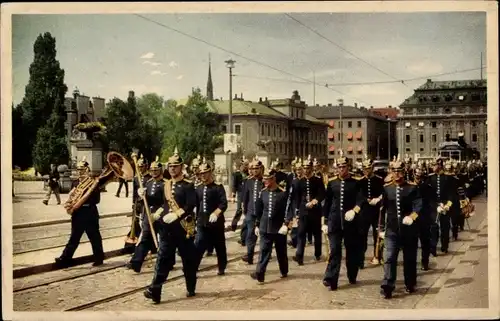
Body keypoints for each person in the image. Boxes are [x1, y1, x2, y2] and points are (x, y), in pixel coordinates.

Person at [144, 148, 198, 304]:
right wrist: (144, 195)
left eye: (175, 166)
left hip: (183, 229)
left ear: (181, 167)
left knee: (188, 261)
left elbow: (191, 205)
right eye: (170, 166)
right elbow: (161, 203)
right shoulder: (166, 185)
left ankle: (190, 286)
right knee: (162, 260)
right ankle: (155, 291)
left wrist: (177, 214)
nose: (172, 169)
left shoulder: (188, 185)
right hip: (166, 230)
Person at [379, 155, 423, 299]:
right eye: (394, 170)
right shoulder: (387, 188)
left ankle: (410, 283)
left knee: (409, 259)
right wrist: (381, 228)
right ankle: (388, 285)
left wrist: (412, 217)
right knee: (390, 257)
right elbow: (383, 209)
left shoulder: (412, 188)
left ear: (404, 171)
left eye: (399, 170)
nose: (397, 173)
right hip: (392, 230)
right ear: (391, 171)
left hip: (409, 230)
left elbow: (418, 206)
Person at [322, 152, 365, 290]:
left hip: (351, 222)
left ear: (348, 167)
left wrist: (355, 210)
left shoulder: (356, 182)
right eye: (339, 167)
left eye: (344, 166)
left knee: (351, 250)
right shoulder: (332, 182)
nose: (341, 169)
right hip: (334, 221)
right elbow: (327, 202)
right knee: (334, 250)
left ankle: (352, 275)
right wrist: (324, 221)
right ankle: (331, 279)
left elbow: (361, 200)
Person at [55, 158, 104, 268]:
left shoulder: (93, 183)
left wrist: (83, 200)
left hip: (89, 212)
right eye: (78, 169)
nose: (79, 171)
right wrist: (71, 204)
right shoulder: (75, 182)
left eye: (82, 169)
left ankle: (99, 258)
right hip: (77, 213)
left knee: (94, 237)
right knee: (74, 237)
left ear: (87, 169)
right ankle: (65, 258)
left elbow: (97, 200)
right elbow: (72, 196)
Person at [251, 168, 293, 283]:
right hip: (265, 227)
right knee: (264, 251)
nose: (264, 182)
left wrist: (287, 224)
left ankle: (284, 271)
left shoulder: (283, 193)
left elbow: (289, 210)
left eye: (267, 179)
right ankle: (260, 273)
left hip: (279, 228)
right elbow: (258, 211)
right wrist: (257, 225)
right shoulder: (262, 192)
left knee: (281, 251)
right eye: (264, 179)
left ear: (274, 179)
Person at [126, 156, 164, 273]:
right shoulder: (147, 183)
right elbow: (144, 200)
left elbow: (167, 202)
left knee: (165, 240)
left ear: (160, 170)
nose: (153, 172)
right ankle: (136, 262)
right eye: (152, 170)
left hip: (162, 215)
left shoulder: (165, 184)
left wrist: (159, 213)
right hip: (148, 214)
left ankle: (168, 262)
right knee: (145, 238)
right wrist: (141, 195)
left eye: (156, 170)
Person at [194, 158, 228, 275]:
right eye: (201, 173)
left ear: (210, 172)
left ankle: (222, 267)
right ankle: (194, 266)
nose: (203, 175)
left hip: (216, 223)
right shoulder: (198, 188)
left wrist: (216, 213)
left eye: (205, 172)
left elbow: (223, 203)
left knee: (219, 245)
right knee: (198, 244)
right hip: (202, 222)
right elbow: (197, 205)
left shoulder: (218, 187)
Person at [291, 155, 326, 265]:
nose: (306, 170)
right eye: (304, 168)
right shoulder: (298, 182)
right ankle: (299, 256)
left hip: (315, 211)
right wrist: (296, 212)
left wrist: (315, 201)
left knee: (317, 234)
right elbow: (296, 198)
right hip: (303, 211)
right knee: (301, 233)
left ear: (311, 168)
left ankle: (317, 253)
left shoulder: (317, 180)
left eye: (308, 168)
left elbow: (322, 194)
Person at [426, 158, 458, 255]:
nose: (433, 167)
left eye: (435, 165)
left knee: (445, 227)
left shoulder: (448, 178)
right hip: (434, 206)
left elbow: (451, 194)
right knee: (433, 227)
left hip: (445, 206)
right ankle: (433, 247)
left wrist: (448, 205)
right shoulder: (430, 178)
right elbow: (429, 195)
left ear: (440, 165)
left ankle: (445, 245)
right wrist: (435, 205)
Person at [358, 155, 384, 267]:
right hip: (364, 212)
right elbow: (358, 195)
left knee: (377, 235)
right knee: (362, 235)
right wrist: (365, 199)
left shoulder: (379, 180)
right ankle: (360, 258)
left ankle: (377, 256)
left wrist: (378, 199)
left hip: (376, 211)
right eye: (364, 168)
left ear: (372, 168)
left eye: (368, 168)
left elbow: (384, 192)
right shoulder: (360, 181)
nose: (366, 171)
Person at [123, 155, 151, 255]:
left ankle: (146, 246)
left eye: (142, 166)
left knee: (145, 226)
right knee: (135, 224)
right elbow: (134, 193)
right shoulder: (135, 179)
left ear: (146, 166)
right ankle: (131, 245)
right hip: (138, 204)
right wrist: (133, 204)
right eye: (138, 166)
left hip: (146, 205)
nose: (140, 168)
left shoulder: (150, 178)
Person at [240, 156, 264, 265]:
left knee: (264, 236)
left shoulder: (264, 181)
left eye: (257, 169)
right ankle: (250, 256)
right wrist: (244, 209)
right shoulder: (248, 181)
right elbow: (245, 196)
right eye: (253, 169)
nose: (254, 171)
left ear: (261, 169)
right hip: (250, 212)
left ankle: (263, 256)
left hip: (263, 213)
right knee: (250, 234)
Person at [412, 165, 432, 271]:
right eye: (416, 176)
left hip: (424, 217)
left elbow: (431, 201)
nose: (418, 178)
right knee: (412, 243)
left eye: (419, 176)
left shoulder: (426, 187)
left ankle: (425, 262)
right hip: (413, 218)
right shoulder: (409, 187)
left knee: (425, 242)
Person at [231, 158, 250, 247]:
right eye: (244, 165)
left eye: (246, 165)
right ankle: (234, 224)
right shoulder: (237, 174)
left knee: (246, 215)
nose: (245, 167)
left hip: (248, 196)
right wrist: (233, 195)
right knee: (239, 210)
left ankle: (244, 237)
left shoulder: (248, 175)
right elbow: (234, 185)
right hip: (240, 195)